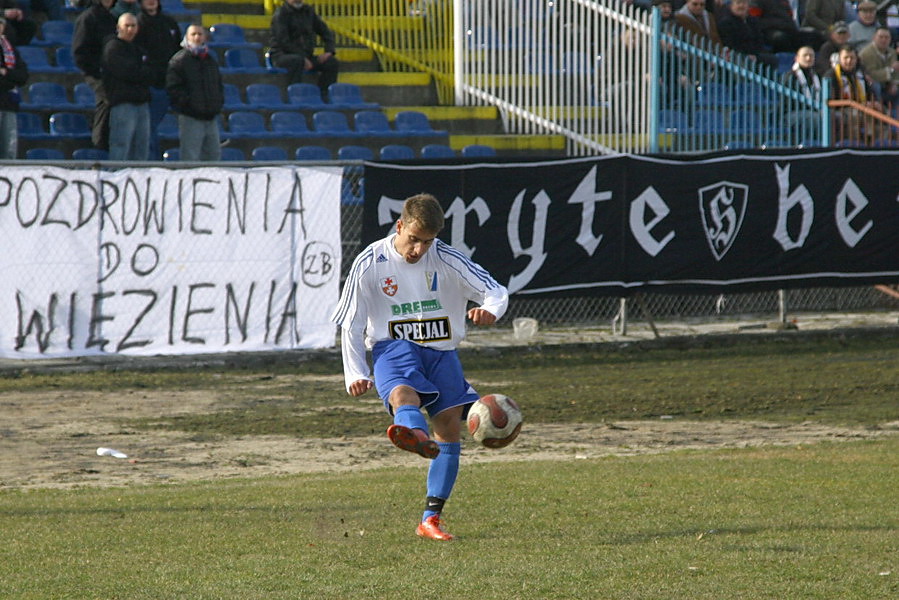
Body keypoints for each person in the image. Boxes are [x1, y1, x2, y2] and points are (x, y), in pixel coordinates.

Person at [331, 193, 509, 542]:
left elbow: (495, 290)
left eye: (427, 242)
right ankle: (414, 433)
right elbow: (351, 323)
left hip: (442, 352)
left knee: (449, 427)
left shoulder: (448, 259)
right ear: (400, 226)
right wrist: (355, 371)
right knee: (403, 394)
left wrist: (491, 310)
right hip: (392, 347)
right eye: (414, 239)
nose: (419, 249)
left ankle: (431, 519)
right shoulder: (370, 262)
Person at [166, 24, 224, 161]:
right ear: (187, 37)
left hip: (210, 117)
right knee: (190, 158)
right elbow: (173, 88)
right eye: (193, 34)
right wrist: (189, 105)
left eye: (200, 34)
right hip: (191, 117)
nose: (197, 37)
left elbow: (218, 85)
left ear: (205, 37)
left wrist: (217, 104)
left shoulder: (210, 61)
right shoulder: (179, 60)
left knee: (214, 157)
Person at [101, 12, 152, 160]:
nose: (130, 29)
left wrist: (141, 72)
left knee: (142, 147)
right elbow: (127, 72)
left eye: (133, 26)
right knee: (121, 145)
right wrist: (142, 72)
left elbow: (151, 73)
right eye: (127, 25)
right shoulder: (113, 48)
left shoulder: (139, 49)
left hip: (142, 103)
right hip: (123, 104)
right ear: (118, 27)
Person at [134, 0, 180, 160]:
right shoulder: (137, 23)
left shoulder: (169, 22)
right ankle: (151, 162)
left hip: (168, 83)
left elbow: (178, 52)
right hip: (148, 86)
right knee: (148, 127)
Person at [269, 0, 338, 101]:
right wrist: (303, 57)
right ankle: (294, 95)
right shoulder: (281, 15)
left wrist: (329, 51)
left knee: (331, 63)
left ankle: (323, 96)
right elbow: (283, 42)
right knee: (297, 61)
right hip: (282, 55)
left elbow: (325, 32)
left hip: (306, 56)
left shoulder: (308, 12)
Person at [72, 0, 118, 151]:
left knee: (108, 107)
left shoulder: (111, 18)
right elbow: (79, 52)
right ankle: (99, 146)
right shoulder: (88, 17)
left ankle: (103, 145)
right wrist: (96, 72)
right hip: (97, 73)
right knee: (107, 101)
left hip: (112, 73)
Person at [718, 0, 777, 69]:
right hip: (738, 56)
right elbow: (730, 45)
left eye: (744, 3)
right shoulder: (726, 23)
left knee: (772, 59)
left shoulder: (753, 21)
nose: (741, 6)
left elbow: (759, 41)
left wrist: (756, 55)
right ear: (731, 6)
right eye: (738, 3)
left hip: (755, 54)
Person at [0, 16, 27, 159]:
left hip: (9, 103)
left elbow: (23, 75)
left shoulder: (9, 49)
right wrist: (11, 78)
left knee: (10, 150)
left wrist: (6, 73)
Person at [749, 0, 823, 52]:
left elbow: (790, 17)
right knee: (780, 38)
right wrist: (777, 24)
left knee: (816, 36)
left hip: (789, 30)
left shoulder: (784, 2)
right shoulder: (757, 1)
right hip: (770, 32)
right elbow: (754, 21)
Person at [781, 45, 821, 138]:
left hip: (814, 111)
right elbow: (788, 102)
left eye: (811, 56)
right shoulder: (790, 76)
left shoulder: (817, 75)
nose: (808, 58)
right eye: (805, 55)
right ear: (797, 58)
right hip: (793, 113)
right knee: (815, 118)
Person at [858, 27, 899, 107]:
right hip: (872, 86)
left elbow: (896, 73)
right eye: (880, 37)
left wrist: (894, 83)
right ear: (874, 38)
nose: (884, 40)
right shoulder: (866, 53)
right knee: (876, 86)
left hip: (887, 85)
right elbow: (872, 74)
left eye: (886, 37)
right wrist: (890, 70)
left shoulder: (892, 52)